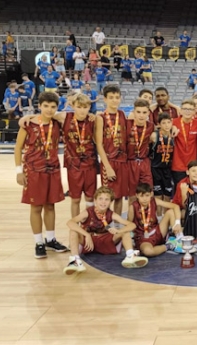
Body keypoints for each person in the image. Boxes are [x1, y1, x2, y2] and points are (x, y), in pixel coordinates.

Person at [14, 92, 69, 258]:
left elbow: (66, 115)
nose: (49, 110)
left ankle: (50, 240)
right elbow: (18, 148)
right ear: (40, 106)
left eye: (53, 107)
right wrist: (18, 171)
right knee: (36, 207)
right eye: (46, 106)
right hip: (33, 170)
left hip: (52, 169)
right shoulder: (28, 125)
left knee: (51, 205)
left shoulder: (57, 123)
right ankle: (38, 242)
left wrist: (56, 113)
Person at [63, 187, 148, 274]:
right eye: (100, 199)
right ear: (95, 200)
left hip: (104, 241)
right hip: (88, 242)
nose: (103, 202)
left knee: (125, 231)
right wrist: (86, 235)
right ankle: (75, 260)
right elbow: (70, 222)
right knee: (73, 231)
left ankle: (130, 255)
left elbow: (132, 225)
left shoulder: (111, 214)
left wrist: (118, 231)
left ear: (111, 202)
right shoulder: (88, 212)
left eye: (107, 199)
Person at [94, 85, 128, 218]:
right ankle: (104, 223)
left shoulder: (122, 115)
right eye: (111, 98)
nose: (115, 100)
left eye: (117, 97)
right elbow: (99, 144)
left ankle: (117, 224)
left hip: (122, 160)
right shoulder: (100, 117)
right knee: (106, 196)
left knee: (119, 196)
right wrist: (107, 167)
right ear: (105, 99)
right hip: (109, 161)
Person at [128, 183, 183, 257]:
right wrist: (130, 244)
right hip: (143, 237)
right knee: (148, 252)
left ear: (151, 194)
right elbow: (128, 225)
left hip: (157, 231)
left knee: (170, 212)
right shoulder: (133, 206)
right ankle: (169, 245)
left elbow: (175, 206)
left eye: (147, 195)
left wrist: (178, 223)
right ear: (137, 195)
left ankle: (178, 238)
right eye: (141, 196)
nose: (144, 199)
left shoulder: (154, 201)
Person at [126, 99, 154, 203]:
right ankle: (131, 218)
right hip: (130, 162)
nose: (141, 115)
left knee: (148, 193)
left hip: (144, 162)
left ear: (148, 113)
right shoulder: (127, 123)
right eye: (138, 112)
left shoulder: (151, 126)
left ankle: (147, 217)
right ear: (133, 112)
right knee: (132, 196)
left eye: (144, 112)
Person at [149, 112, 175, 213]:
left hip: (168, 169)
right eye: (164, 123)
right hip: (156, 168)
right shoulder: (154, 136)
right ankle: (158, 216)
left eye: (169, 122)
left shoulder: (173, 135)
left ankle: (166, 216)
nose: (167, 125)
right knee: (158, 194)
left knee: (168, 194)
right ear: (159, 124)